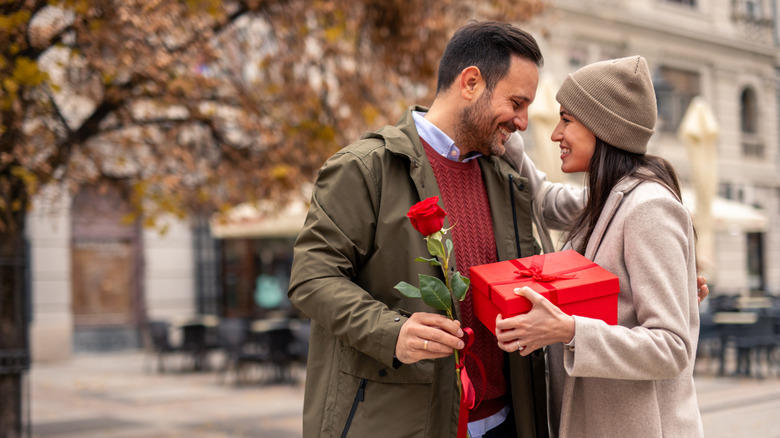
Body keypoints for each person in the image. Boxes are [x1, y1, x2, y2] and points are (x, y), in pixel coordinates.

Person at [288, 21, 551, 438]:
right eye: (516, 103)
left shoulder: (507, 179)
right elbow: (312, 278)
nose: (522, 122)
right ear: (470, 82)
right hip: (402, 422)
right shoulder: (364, 167)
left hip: (505, 422)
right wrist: (393, 332)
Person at [496, 56, 705, 437]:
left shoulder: (648, 208)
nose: (556, 134)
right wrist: (503, 132)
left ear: (603, 127)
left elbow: (673, 346)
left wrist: (568, 330)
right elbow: (541, 197)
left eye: (567, 120)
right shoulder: (606, 200)